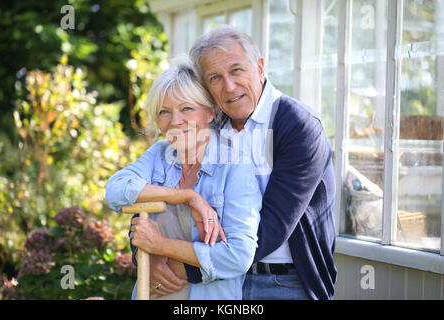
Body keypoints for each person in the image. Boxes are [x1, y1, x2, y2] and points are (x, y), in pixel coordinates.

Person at [144, 25, 338, 300]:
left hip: (283, 282)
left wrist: (182, 264)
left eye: (236, 71)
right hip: (216, 283)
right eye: (215, 77)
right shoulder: (207, 123)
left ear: (260, 68)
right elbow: (154, 186)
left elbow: (273, 226)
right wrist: (147, 254)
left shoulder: (298, 126)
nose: (229, 86)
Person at [105, 57, 262, 300]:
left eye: (186, 108)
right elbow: (115, 191)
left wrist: (158, 247)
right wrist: (188, 196)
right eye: (164, 112)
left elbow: (238, 256)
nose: (175, 121)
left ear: (210, 112)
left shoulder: (235, 166)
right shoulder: (158, 155)